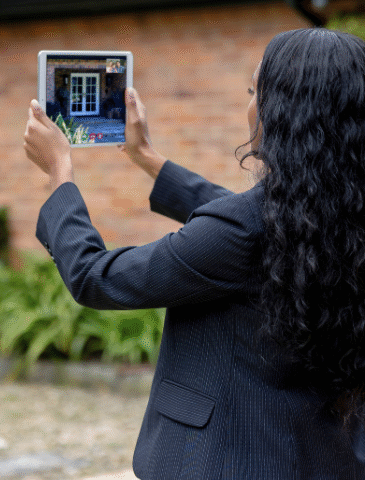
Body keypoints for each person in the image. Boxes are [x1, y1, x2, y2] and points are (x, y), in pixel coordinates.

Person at [23, 28, 365, 479]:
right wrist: (147, 157)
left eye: (253, 93)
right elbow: (251, 219)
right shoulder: (337, 214)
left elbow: (95, 276)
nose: (249, 106)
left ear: (282, 112)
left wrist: (59, 175)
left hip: (226, 463)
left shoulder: (244, 229)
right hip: (325, 457)